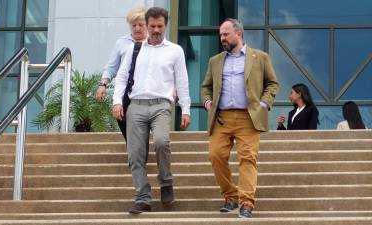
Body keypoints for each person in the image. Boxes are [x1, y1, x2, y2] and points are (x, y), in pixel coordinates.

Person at [112, 7, 191, 214]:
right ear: (146, 25)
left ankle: (166, 182)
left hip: (161, 105)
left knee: (161, 142)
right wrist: (117, 102)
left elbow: (182, 82)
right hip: (136, 105)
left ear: (165, 25)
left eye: (160, 26)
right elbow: (121, 77)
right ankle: (142, 198)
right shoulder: (134, 49)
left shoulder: (175, 51)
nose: (156, 30)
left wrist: (186, 109)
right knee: (135, 154)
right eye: (152, 26)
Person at [201, 18, 279, 218]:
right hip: (222, 118)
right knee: (215, 155)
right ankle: (230, 196)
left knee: (247, 159)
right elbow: (206, 86)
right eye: (220, 35)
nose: (222, 38)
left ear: (239, 33)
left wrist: (263, 104)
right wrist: (207, 101)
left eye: (225, 34)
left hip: (249, 117)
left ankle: (246, 202)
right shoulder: (215, 60)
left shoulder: (259, 57)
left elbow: (272, 83)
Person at [95, 7, 147, 140]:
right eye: (133, 25)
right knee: (121, 117)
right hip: (126, 89)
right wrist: (103, 85)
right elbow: (112, 67)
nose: (137, 28)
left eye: (141, 25)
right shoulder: (122, 43)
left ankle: (137, 148)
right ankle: (133, 147)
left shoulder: (153, 43)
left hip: (146, 90)